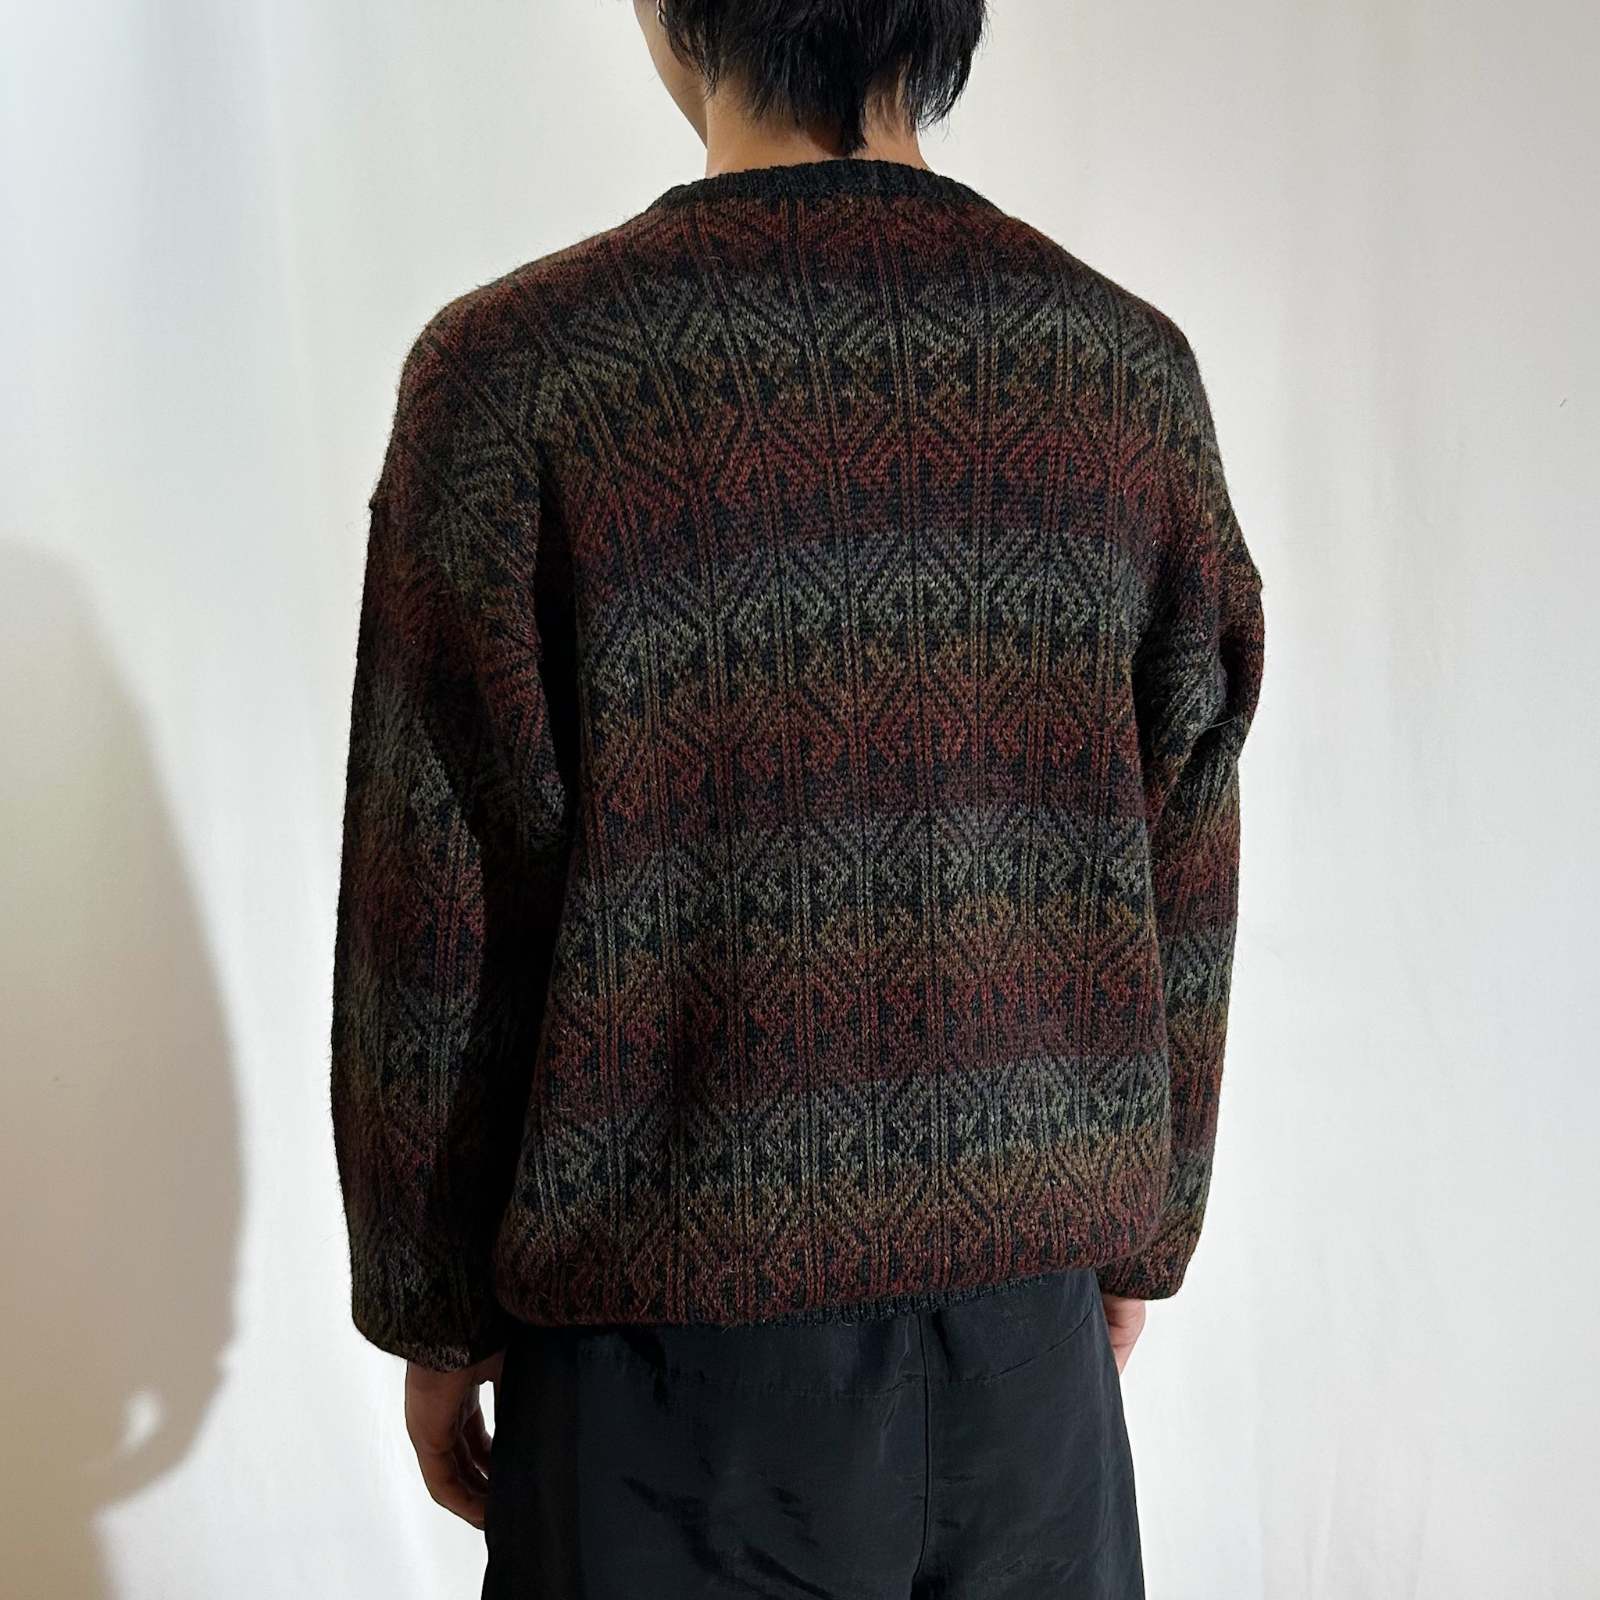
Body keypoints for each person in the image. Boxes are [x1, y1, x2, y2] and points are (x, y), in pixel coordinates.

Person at [329, 2, 1267, 1594]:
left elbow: (437, 909)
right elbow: (1186, 851)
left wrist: (433, 1311)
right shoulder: (1123, 379)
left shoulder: (521, 378)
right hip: (1025, 1363)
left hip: (662, 1386)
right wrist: (1137, 1230)